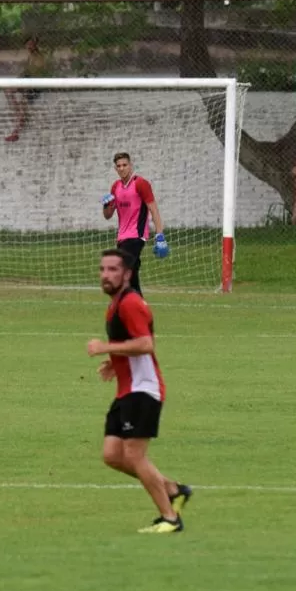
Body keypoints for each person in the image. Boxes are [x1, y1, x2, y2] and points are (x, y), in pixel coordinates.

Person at [86, 249, 192, 534]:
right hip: (127, 390)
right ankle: (172, 489)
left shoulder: (130, 303)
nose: (106, 275)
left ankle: (170, 518)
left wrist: (106, 349)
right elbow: (133, 344)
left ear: (127, 274)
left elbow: (145, 344)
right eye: (102, 269)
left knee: (134, 455)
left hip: (143, 390)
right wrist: (115, 362)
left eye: (113, 270)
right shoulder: (116, 303)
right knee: (112, 454)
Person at [101, 152, 168, 295]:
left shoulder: (141, 184)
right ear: (115, 169)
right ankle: (138, 305)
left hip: (137, 236)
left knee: (123, 270)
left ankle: (133, 305)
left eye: (124, 165)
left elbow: (154, 210)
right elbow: (108, 215)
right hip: (122, 237)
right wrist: (106, 206)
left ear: (130, 166)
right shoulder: (115, 187)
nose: (122, 168)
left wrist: (160, 235)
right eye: (118, 166)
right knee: (131, 272)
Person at [4, 35, 49, 142]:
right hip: (29, 83)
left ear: (35, 45)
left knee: (20, 101)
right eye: (27, 44)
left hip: (35, 85)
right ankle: (18, 118)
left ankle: (17, 127)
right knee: (9, 91)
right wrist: (18, 79)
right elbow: (27, 72)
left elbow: (37, 73)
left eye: (31, 44)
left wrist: (24, 79)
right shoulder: (31, 57)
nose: (29, 46)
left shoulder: (39, 56)